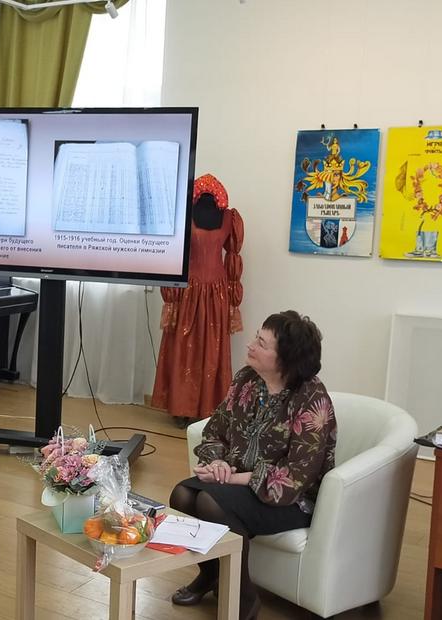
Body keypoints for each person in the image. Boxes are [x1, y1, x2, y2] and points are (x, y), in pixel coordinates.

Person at [168, 311, 337, 620]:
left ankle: (243, 597)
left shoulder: (312, 399)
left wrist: (232, 479)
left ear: (285, 359)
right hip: (238, 482)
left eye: (261, 343)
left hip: (292, 500)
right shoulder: (247, 379)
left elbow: (295, 478)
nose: (250, 345)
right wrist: (217, 462)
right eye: (256, 337)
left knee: (208, 502)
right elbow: (215, 429)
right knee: (182, 495)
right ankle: (210, 574)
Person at [152, 174, 244, 428]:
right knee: (184, 347)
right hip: (188, 291)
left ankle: (209, 407)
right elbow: (172, 256)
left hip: (216, 293)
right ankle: (181, 408)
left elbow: (233, 258)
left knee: (212, 349)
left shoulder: (230, 219)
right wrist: (170, 295)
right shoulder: (183, 215)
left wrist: (233, 297)